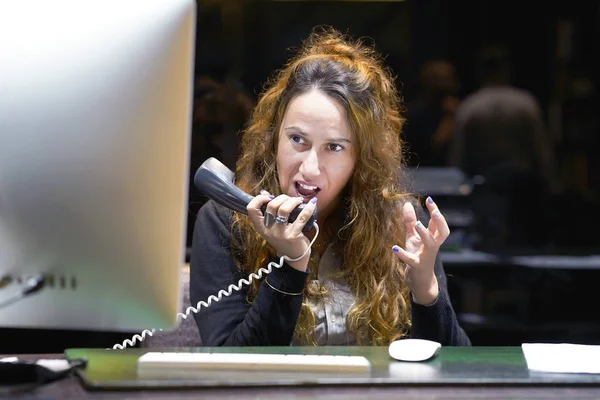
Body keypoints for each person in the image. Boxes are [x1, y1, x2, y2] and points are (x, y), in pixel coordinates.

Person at [190, 27, 471, 347]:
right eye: (297, 140)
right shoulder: (225, 222)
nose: (309, 168)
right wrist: (291, 266)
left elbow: (452, 368)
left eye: (334, 147)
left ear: (361, 158)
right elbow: (232, 368)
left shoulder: (401, 222)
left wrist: (426, 292)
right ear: (274, 137)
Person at [403, 59, 460, 167]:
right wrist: (449, 117)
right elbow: (433, 149)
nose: (450, 85)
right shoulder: (415, 115)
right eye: (442, 81)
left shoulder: (461, 110)